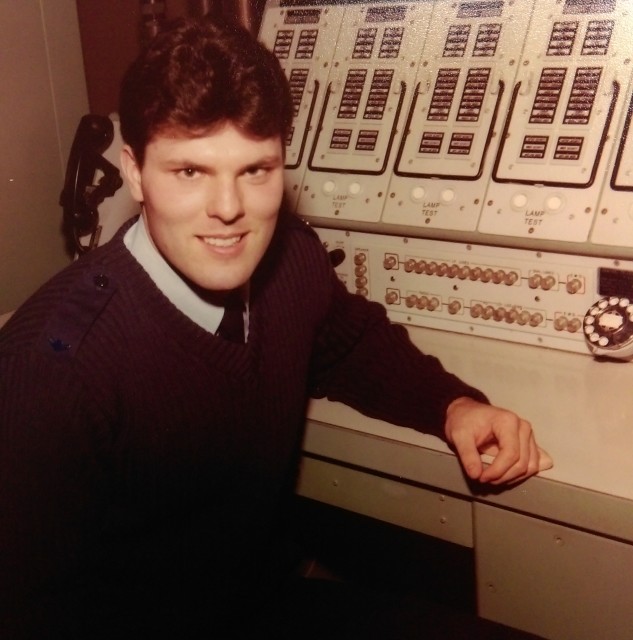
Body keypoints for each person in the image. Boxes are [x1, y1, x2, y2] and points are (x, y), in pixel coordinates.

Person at [0, 16, 551, 640]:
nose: (230, 209)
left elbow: (350, 341)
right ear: (133, 171)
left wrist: (450, 405)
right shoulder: (49, 369)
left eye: (255, 170)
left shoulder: (292, 262)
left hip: (260, 606)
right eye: (190, 172)